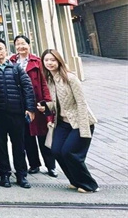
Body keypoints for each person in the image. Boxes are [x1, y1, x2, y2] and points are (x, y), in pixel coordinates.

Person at [38, 49, 99, 193]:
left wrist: (83, 128)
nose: (49, 63)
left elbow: (81, 103)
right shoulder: (51, 80)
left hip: (79, 122)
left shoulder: (70, 78)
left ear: (59, 61)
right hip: (63, 122)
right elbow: (59, 103)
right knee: (56, 150)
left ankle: (89, 185)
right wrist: (47, 107)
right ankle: (75, 181)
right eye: (46, 60)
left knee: (69, 152)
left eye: (53, 60)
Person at [0, 38, 36, 189]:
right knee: (0, 146)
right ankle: (4, 174)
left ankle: (21, 175)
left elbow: (28, 88)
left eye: (0, 48)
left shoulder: (16, 68)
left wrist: (30, 108)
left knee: (19, 145)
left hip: (16, 113)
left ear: (6, 50)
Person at [10, 35, 56, 178]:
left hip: (37, 104)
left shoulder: (37, 62)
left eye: (23, 43)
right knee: (27, 137)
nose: (21, 47)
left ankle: (51, 166)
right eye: (18, 44)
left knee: (43, 136)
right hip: (20, 105)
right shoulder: (12, 61)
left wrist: (47, 103)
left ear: (29, 45)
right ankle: (34, 164)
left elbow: (45, 84)